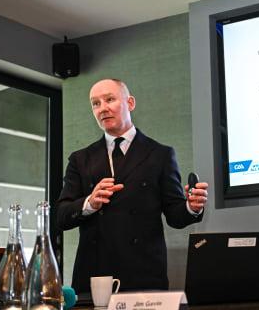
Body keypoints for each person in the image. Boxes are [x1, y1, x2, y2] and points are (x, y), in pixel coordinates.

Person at [56, 78, 208, 293]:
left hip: (143, 275)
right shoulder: (81, 159)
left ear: (130, 103)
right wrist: (90, 202)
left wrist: (192, 207)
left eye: (109, 99)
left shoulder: (160, 154)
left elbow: (175, 216)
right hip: (94, 276)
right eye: (95, 103)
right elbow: (61, 216)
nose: (102, 108)